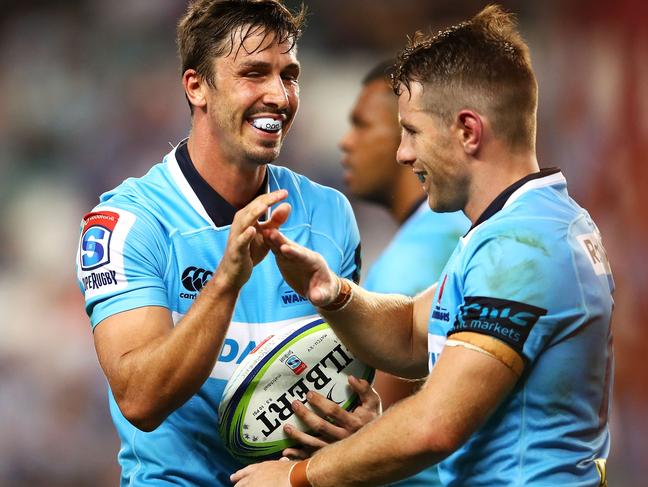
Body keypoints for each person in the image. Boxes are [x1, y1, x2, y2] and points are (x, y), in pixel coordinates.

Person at [232, 5, 615, 487]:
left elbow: (436, 425)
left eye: (412, 131)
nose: (403, 153)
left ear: (468, 132)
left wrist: (296, 477)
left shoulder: (522, 249)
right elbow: (415, 333)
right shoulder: (520, 227)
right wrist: (331, 291)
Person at [75, 1, 373, 485]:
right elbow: (140, 400)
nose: (279, 95)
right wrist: (228, 280)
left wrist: (365, 419)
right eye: (254, 73)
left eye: (289, 75)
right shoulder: (125, 222)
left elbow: (349, 366)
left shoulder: (329, 214)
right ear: (197, 87)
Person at [340, 60, 469, 486]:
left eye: (361, 125)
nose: (346, 142)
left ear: (408, 134)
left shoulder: (425, 252)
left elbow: (377, 410)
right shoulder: (442, 231)